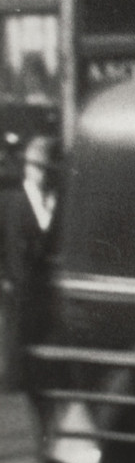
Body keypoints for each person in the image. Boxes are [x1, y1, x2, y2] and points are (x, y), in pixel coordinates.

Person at [0, 135, 55, 395]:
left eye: (46, 168)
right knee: (16, 341)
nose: (41, 174)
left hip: (42, 287)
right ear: (27, 167)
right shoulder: (9, 201)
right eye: (37, 167)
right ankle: (14, 385)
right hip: (17, 283)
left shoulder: (53, 202)